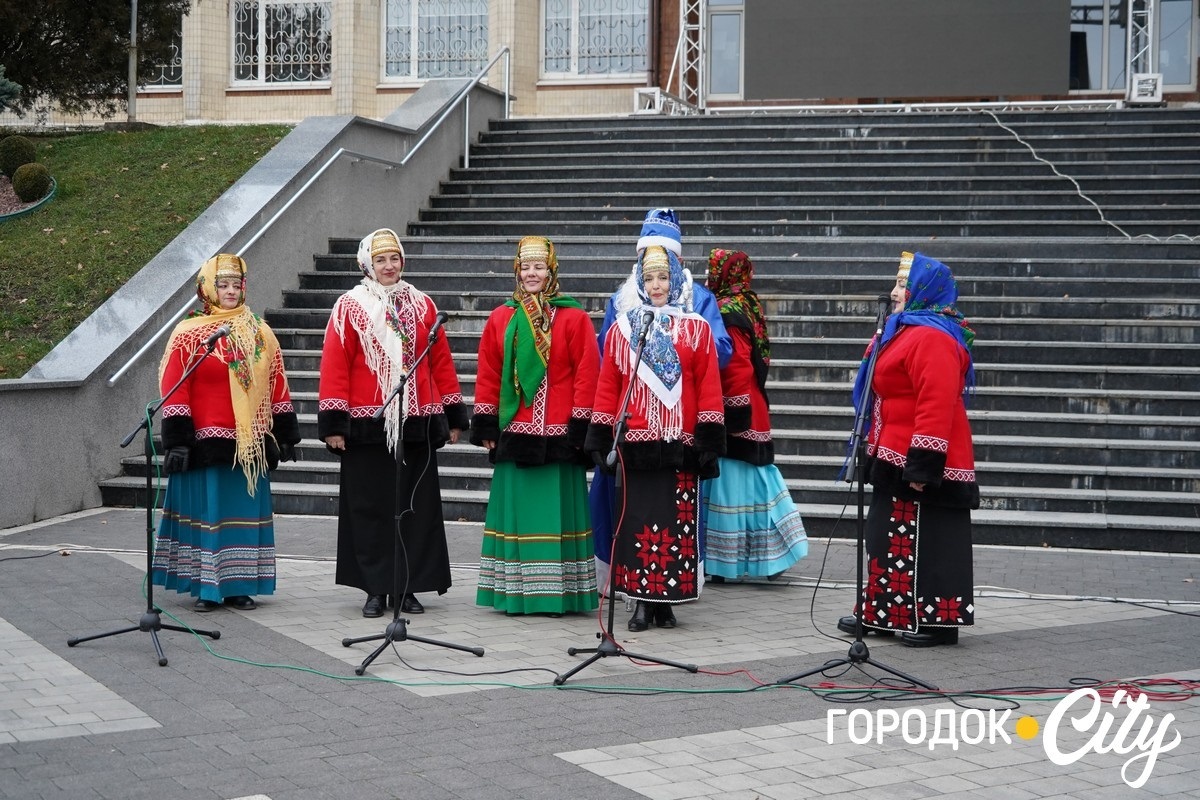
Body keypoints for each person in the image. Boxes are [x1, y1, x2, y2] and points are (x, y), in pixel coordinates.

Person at [318, 228, 469, 618]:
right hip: (368, 424)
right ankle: (375, 586)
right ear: (367, 263)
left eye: (395, 258)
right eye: (381, 259)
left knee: (414, 508)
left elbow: (440, 362)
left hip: (417, 421)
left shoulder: (422, 304)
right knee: (370, 509)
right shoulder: (349, 306)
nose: (389, 266)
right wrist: (334, 423)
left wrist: (453, 415)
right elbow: (336, 364)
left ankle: (407, 586)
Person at [837, 251, 979, 647]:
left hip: (923, 457)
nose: (894, 291)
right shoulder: (903, 329)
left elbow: (936, 403)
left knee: (931, 540)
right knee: (886, 537)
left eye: (903, 284)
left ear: (925, 291)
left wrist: (923, 467)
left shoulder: (933, 337)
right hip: (891, 452)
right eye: (896, 283)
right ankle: (885, 612)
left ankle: (937, 621)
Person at [588, 208, 731, 593]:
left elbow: (711, 377)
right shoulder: (622, 317)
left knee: (676, 518)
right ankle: (636, 594)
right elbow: (609, 375)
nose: (656, 283)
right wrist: (602, 435)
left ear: (676, 270)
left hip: (680, 438)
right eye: (648, 274)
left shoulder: (697, 317)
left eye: (663, 273)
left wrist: (709, 439)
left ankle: (673, 594)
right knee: (634, 517)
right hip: (635, 436)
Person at [152, 253, 300, 612]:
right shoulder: (190, 334)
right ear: (207, 288)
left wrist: (285, 431)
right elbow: (175, 386)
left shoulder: (260, 332)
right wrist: (178, 440)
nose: (231, 291)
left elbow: (276, 382)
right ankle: (206, 588)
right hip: (203, 442)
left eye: (237, 284)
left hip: (248, 445)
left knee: (242, 514)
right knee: (209, 515)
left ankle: (239, 585)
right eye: (223, 285)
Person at [470, 236, 600, 615]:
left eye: (539, 267)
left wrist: (581, 428)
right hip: (516, 434)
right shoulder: (501, 317)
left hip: (561, 436)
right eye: (525, 267)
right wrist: (488, 427)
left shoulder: (574, 318)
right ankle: (518, 592)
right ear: (516, 270)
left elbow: (586, 375)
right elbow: (489, 374)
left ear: (551, 271)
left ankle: (560, 594)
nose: (532, 273)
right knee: (521, 518)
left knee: (557, 517)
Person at [701, 248, 809, 580]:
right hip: (753, 405)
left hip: (737, 406)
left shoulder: (727, 310)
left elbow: (735, 365)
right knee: (758, 481)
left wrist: (732, 414)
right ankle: (773, 553)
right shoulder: (749, 302)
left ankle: (726, 562)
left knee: (732, 485)